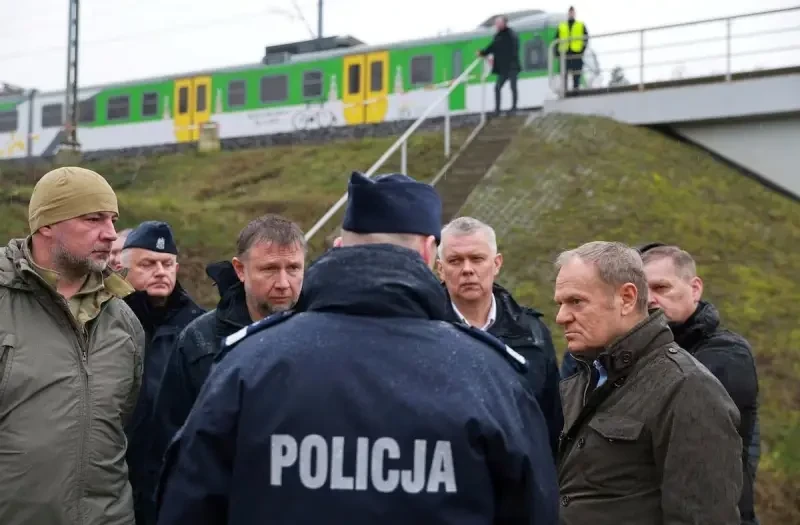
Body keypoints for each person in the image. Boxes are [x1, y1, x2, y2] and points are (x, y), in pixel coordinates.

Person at [155, 172, 559, 525]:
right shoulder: (489, 375)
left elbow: (185, 505)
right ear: (428, 251)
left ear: (341, 246)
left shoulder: (247, 364)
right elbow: (534, 509)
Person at [553, 241, 742, 525]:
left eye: (576, 301)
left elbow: (704, 517)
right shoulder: (582, 379)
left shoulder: (688, 388)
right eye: (560, 304)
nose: (561, 317)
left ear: (627, 298)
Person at [0, 166, 145, 525]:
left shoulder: (124, 321)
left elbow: (124, 422)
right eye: (93, 219)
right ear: (46, 225)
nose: (110, 234)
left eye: (112, 220)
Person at [148, 214, 306, 492]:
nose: (283, 282)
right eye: (269, 269)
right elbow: (167, 447)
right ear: (240, 270)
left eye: (293, 268)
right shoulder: (199, 342)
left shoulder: (324, 339)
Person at [640, 243, 760, 525]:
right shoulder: (643, 351)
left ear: (695, 289)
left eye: (661, 287)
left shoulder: (726, 355)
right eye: (642, 292)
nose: (650, 300)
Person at [438, 216, 562, 457]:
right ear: (440, 269)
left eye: (477, 259)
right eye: (455, 261)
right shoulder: (422, 330)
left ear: (496, 264)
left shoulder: (532, 333)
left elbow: (551, 420)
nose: (467, 269)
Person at [121, 220, 205, 525]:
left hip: (175, 486)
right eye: (148, 264)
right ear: (123, 269)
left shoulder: (200, 330)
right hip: (115, 485)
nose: (160, 271)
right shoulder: (105, 323)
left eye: (167, 264)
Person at [477, 15, 521, 116]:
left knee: (513, 87)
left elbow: (514, 49)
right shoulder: (497, 36)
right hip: (503, 68)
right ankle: (497, 110)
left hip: (512, 66)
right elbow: (492, 47)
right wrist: (483, 53)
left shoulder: (511, 34)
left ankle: (514, 108)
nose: (496, 25)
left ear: (504, 23)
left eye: (498, 23)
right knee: (497, 87)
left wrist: (508, 59)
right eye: (496, 23)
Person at [555, 6, 589, 91]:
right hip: (565, 53)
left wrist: (582, 50)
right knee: (564, 74)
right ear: (568, 14)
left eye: (572, 12)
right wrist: (557, 52)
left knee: (576, 75)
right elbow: (556, 39)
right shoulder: (562, 25)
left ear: (575, 14)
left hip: (576, 53)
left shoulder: (580, 25)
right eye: (570, 12)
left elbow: (586, 38)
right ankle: (565, 91)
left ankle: (576, 90)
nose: (571, 14)